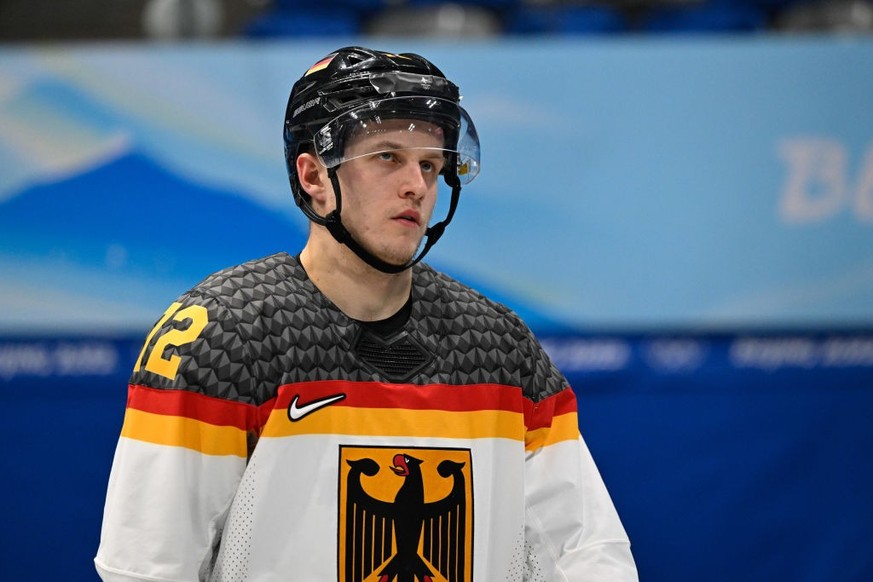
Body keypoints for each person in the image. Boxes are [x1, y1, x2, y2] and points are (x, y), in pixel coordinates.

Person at [94, 46, 638, 582]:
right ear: (313, 177)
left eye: (430, 164)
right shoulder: (222, 331)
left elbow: (586, 554)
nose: (417, 185)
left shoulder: (499, 345)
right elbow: (145, 568)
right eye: (387, 157)